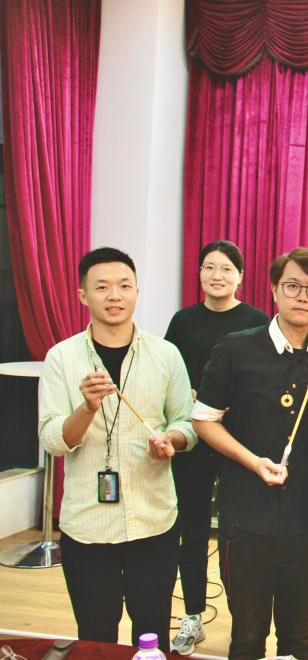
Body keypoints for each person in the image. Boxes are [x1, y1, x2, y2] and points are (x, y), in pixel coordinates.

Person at [192, 247, 308, 660]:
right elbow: (204, 420)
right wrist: (252, 462)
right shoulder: (236, 349)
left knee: (298, 637)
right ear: (273, 290)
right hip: (245, 516)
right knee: (247, 637)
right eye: (292, 286)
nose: (302, 296)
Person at [38, 247, 196, 653]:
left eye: (124, 286)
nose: (114, 295)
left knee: (152, 632)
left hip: (154, 521)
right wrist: (87, 408)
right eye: (102, 287)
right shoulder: (61, 358)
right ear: (82, 295)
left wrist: (172, 441)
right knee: (95, 637)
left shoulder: (166, 355)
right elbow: (53, 439)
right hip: (88, 527)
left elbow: (186, 424)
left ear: (137, 291)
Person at [164, 240, 269, 655]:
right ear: (200, 274)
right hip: (192, 439)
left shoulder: (257, 321)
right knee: (190, 529)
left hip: (238, 440)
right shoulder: (183, 321)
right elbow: (170, 374)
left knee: (238, 532)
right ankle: (192, 615)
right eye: (209, 267)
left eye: (226, 268)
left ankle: (245, 622)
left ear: (240, 276)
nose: (217, 275)